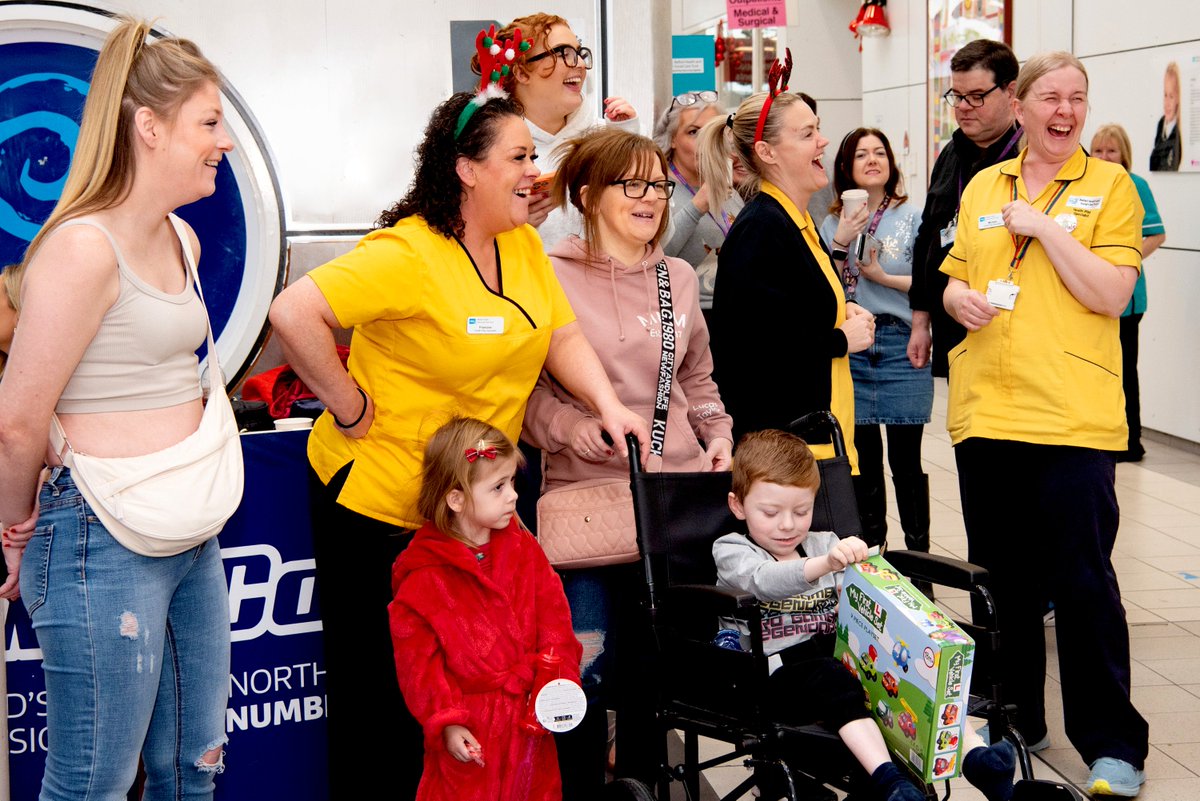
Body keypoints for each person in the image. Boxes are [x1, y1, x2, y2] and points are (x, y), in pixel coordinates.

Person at [268, 88, 648, 795]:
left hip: (476, 518)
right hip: (383, 508)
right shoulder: (408, 252)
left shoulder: (522, 246)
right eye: (517, 156)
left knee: (468, 703)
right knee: (385, 705)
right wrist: (349, 406)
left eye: (535, 155)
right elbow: (294, 311)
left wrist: (608, 404)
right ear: (466, 169)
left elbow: (559, 333)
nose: (534, 170)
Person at [0, 18, 234, 797]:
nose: (223, 140)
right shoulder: (80, 249)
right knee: (92, 785)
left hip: (190, 531)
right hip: (96, 537)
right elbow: (18, 421)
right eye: (209, 121)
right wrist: (13, 532)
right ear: (148, 127)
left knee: (195, 765)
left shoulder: (184, 241)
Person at [942, 51, 1149, 797]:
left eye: (1078, 98)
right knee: (1001, 581)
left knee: (1083, 580)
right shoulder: (980, 186)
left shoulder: (1110, 186)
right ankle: (1014, 713)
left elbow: (1112, 294)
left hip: (1071, 417)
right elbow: (960, 273)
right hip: (988, 408)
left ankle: (1114, 743)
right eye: (1051, 98)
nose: (1065, 111)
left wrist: (1050, 229)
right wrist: (956, 298)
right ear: (1021, 108)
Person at [521, 127, 734, 795]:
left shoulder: (674, 275)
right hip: (586, 511)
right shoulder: (548, 274)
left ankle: (645, 782)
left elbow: (697, 380)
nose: (651, 199)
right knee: (578, 673)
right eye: (632, 184)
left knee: (655, 672)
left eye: (660, 185)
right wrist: (567, 428)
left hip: (672, 507)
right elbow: (521, 389)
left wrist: (718, 435)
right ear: (588, 195)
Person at [714, 429, 1017, 801]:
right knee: (832, 675)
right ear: (738, 505)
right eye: (771, 512)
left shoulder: (825, 542)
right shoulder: (733, 550)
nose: (788, 525)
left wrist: (870, 583)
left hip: (839, 661)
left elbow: (862, 605)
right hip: (774, 674)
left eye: (801, 511)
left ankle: (977, 758)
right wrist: (824, 565)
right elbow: (764, 582)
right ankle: (889, 781)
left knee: (907, 670)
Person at [389, 416, 581, 801]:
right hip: (472, 729)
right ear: (456, 498)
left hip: (531, 720)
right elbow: (418, 665)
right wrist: (447, 722)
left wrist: (554, 683)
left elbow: (555, 622)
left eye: (511, 483)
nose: (513, 495)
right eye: (498, 487)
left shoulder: (525, 551)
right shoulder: (423, 576)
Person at [698, 73, 874, 467]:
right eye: (807, 133)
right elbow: (755, 351)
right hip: (787, 454)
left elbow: (791, 314)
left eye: (818, 129)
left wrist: (843, 311)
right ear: (767, 151)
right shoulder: (761, 228)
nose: (823, 141)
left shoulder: (793, 221)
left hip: (811, 442)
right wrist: (840, 339)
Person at [820, 129, 932, 555]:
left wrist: (882, 277)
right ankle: (874, 563)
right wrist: (842, 239)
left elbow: (928, 283)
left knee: (906, 463)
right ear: (846, 168)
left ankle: (919, 565)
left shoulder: (914, 215)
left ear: (891, 163)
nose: (872, 160)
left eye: (879, 153)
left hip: (902, 343)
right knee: (863, 463)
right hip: (854, 348)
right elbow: (823, 281)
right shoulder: (831, 222)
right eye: (861, 154)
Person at [908, 39, 1021, 379]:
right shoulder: (950, 155)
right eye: (957, 96)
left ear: (1010, 91)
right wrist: (920, 320)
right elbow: (928, 236)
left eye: (976, 96)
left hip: (1009, 325)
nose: (963, 107)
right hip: (951, 320)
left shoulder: (1031, 158)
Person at [479, 12, 639, 247]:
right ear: (522, 73)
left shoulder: (605, 137)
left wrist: (629, 143)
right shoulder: (487, 147)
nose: (581, 64)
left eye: (580, 53)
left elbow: (662, 236)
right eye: (564, 53)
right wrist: (513, 229)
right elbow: (461, 248)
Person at [1091, 124, 1167, 462]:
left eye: (1111, 151)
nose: (1105, 157)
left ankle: (1131, 440)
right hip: (1091, 293)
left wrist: (1123, 261)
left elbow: (1156, 234)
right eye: (1098, 150)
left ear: (1125, 154)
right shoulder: (1087, 186)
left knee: (1124, 368)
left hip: (1127, 298)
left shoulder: (1135, 185)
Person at [653, 91, 744, 322]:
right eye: (693, 132)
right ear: (673, 139)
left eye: (712, 132)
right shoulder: (656, 189)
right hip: (683, 316)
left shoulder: (729, 187)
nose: (705, 142)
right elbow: (654, 256)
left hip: (735, 310)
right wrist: (698, 205)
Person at [1149, 62, 1182, 171]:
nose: (1166, 103)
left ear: (1178, 98)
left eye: (1171, 97)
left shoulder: (1178, 133)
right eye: (1165, 95)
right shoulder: (1161, 124)